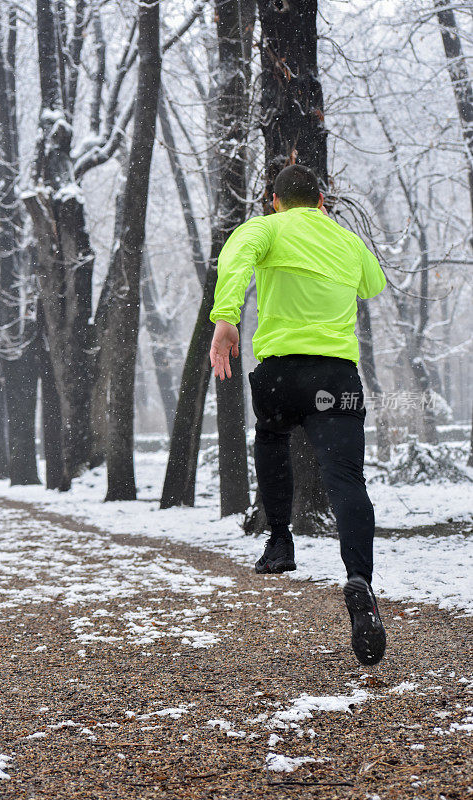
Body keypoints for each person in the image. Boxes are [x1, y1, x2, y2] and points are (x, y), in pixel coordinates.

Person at [209, 164, 387, 666]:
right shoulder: (347, 242)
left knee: (271, 437)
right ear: (323, 202)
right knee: (348, 480)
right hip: (336, 377)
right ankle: (359, 580)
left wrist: (227, 319)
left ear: (274, 201)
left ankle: (280, 539)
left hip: (282, 372)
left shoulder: (267, 228)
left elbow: (236, 258)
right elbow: (372, 285)